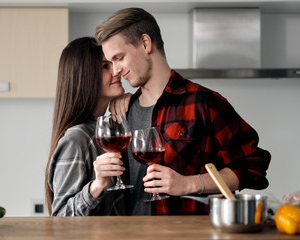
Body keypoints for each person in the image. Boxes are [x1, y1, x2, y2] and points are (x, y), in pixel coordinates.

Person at [95, 8, 271, 215]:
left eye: (120, 58)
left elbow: (254, 166)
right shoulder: (123, 112)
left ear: (145, 44)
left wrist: (190, 184)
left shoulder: (204, 103)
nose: (115, 71)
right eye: (111, 62)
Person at [45, 37, 128, 216]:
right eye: (105, 66)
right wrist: (96, 185)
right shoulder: (77, 138)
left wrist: (133, 103)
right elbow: (60, 218)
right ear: (84, 77)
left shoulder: (107, 129)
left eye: (114, 63)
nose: (117, 71)